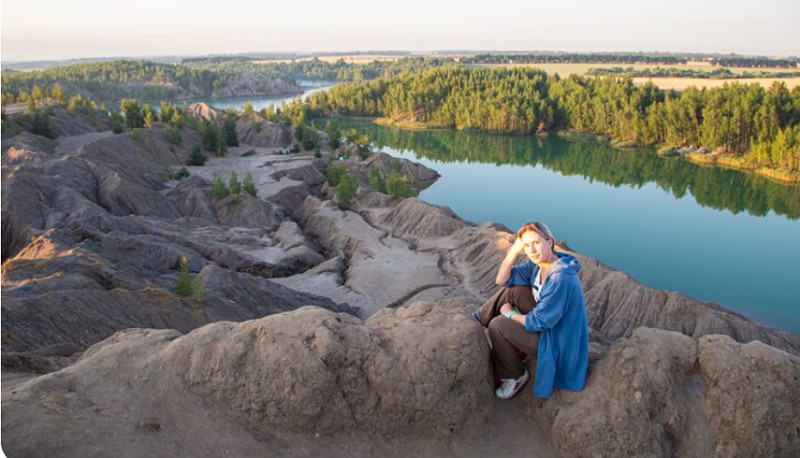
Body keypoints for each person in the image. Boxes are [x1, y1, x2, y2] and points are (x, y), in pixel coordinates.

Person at [473, 221, 588, 399]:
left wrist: (510, 314)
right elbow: (502, 280)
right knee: (513, 290)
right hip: (551, 325)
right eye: (527, 245)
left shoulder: (560, 278)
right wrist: (514, 252)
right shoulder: (538, 265)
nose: (532, 250)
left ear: (549, 242)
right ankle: (478, 321)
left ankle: (515, 376)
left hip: (557, 341)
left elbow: (538, 322)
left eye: (536, 243)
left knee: (498, 325)